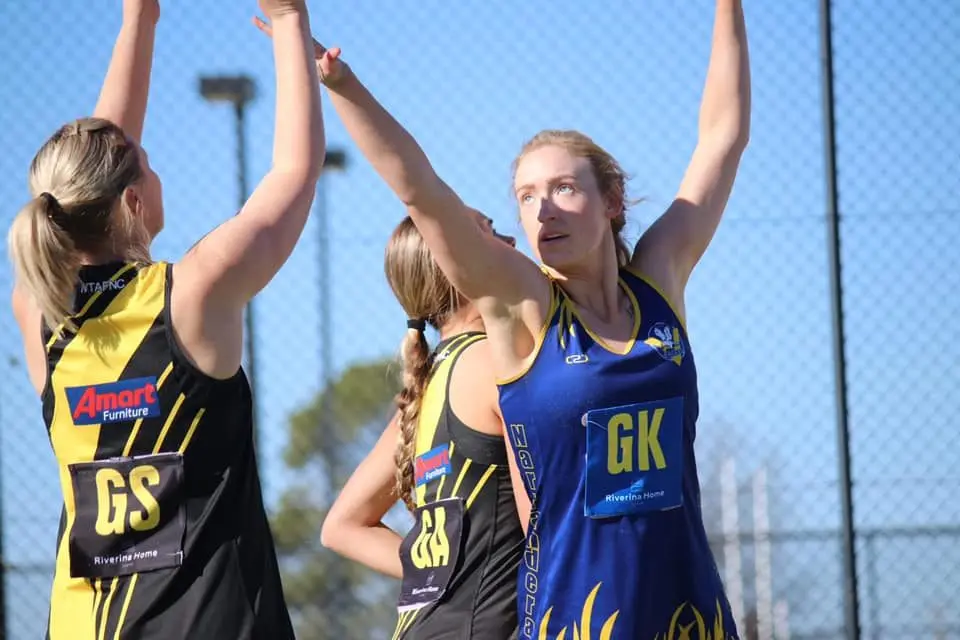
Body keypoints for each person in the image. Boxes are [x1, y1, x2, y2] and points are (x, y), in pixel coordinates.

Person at [286, 0, 751, 637]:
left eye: (563, 188)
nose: (542, 212)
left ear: (612, 200)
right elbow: (422, 192)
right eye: (526, 197)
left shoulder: (660, 285)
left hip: (685, 607)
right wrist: (343, 85)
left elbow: (723, 135)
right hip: (577, 616)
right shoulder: (524, 307)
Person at [7, 1, 326, 638]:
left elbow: (92, 167)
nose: (155, 168)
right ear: (131, 200)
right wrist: (290, 20)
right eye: (146, 163)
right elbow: (294, 171)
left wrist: (139, 18)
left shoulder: (39, 312)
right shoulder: (193, 291)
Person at [317, 215, 527, 640]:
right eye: (490, 232)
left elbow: (342, 525)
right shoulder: (494, 364)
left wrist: (442, 571)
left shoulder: (427, 386)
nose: (511, 238)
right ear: (458, 265)